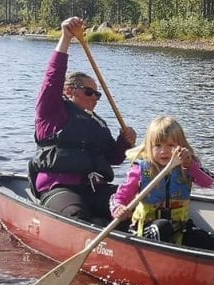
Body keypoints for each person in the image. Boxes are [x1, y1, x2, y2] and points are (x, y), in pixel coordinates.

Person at [29, 16, 137, 224]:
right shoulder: (51, 111)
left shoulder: (96, 123)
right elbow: (53, 78)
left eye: (98, 95)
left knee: (135, 206)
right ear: (69, 91)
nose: (95, 98)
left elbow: (113, 158)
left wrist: (124, 142)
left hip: (94, 187)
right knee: (76, 216)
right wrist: (66, 38)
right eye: (90, 92)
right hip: (58, 187)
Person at [110, 116, 214, 253]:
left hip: (180, 227)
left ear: (181, 147)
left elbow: (208, 182)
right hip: (147, 228)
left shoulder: (187, 165)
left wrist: (190, 166)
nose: (164, 151)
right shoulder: (141, 169)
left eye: (171, 145)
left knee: (212, 243)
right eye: (158, 145)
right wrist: (119, 208)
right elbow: (120, 197)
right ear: (149, 147)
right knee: (162, 227)